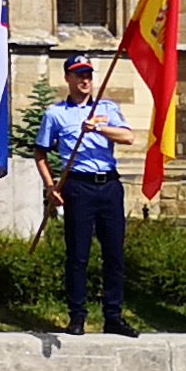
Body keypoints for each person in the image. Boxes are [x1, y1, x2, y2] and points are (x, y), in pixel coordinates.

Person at [34, 51, 139, 337]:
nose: (85, 80)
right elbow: (40, 152)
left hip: (108, 184)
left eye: (88, 75)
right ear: (68, 78)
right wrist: (51, 185)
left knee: (114, 253)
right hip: (78, 186)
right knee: (78, 254)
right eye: (79, 75)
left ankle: (113, 315)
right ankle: (77, 315)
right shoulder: (55, 114)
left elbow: (129, 137)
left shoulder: (107, 108)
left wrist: (100, 128)